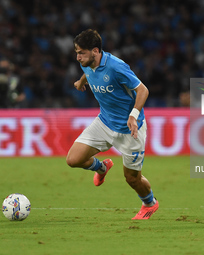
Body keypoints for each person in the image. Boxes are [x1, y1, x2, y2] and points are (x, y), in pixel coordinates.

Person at [66, 29, 159, 220]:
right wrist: (81, 81)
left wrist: (133, 115)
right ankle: (101, 167)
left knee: (132, 178)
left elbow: (143, 90)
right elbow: (89, 72)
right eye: (76, 52)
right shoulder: (87, 63)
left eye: (81, 52)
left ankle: (150, 203)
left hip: (130, 129)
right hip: (104, 122)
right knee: (73, 160)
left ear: (95, 51)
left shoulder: (116, 67)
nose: (78, 57)